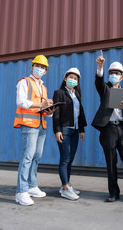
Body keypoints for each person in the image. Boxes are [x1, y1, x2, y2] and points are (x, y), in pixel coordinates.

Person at [91, 50, 123, 206]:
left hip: (122, 130)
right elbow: (99, 82)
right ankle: (113, 192)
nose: (114, 75)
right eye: (111, 73)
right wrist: (100, 67)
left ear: (122, 76)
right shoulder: (105, 88)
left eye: (117, 73)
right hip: (108, 130)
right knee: (111, 161)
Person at [14, 55, 57, 206]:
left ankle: (32, 186)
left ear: (46, 71)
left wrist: (49, 111)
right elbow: (20, 101)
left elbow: (42, 108)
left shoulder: (43, 87)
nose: (41, 69)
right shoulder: (24, 82)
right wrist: (40, 105)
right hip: (29, 124)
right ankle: (21, 191)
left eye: (43, 67)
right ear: (32, 67)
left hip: (41, 125)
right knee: (27, 157)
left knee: (36, 156)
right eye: (38, 66)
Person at [52, 68, 87, 201]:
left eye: (76, 78)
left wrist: (82, 129)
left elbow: (80, 113)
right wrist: (57, 130)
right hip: (64, 130)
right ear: (65, 78)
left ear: (78, 82)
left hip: (75, 130)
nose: (73, 80)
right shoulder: (59, 93)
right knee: (65, 158)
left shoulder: (77, 94)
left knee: (70, 159)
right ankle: (65, 188)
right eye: (71, 77)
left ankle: (66, 185)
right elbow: (56, 112)